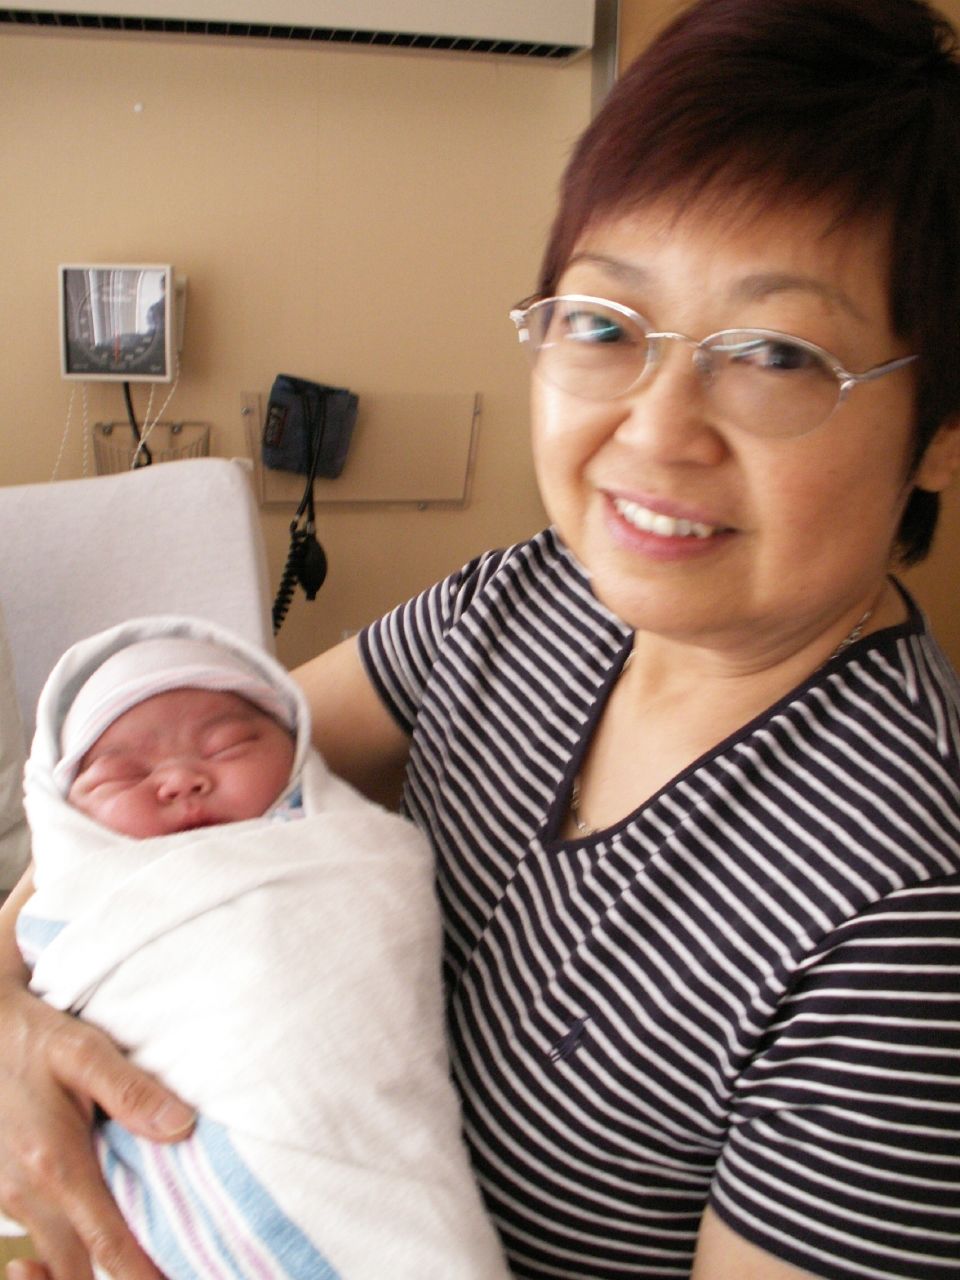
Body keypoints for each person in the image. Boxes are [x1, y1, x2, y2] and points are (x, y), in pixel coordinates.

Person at [2, 0, 960, 1276]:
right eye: (605, 324)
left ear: (943, 420)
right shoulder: (514, 604)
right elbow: (103, 849)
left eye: (775, 354)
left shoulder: (907, 919)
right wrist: (15, 1039)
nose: (655, 432)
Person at [4, 616, 508, 1280]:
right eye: (120, 775)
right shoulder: (479, 616)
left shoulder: (351, 857)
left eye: (230, 745)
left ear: (297, 755)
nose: (181, 778)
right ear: (66, 819)